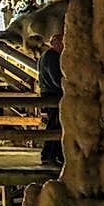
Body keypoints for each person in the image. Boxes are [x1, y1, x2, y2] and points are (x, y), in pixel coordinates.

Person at [38, 33, 64, 166]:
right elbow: (56, 78)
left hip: (47, 93)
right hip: (53, 94)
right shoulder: (52, 57)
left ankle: (52, 154)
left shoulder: (45, 56)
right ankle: (49, 154)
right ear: (55, 43)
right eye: (61, 43)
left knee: (54, 125)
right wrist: (65, 87)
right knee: (54, 125)